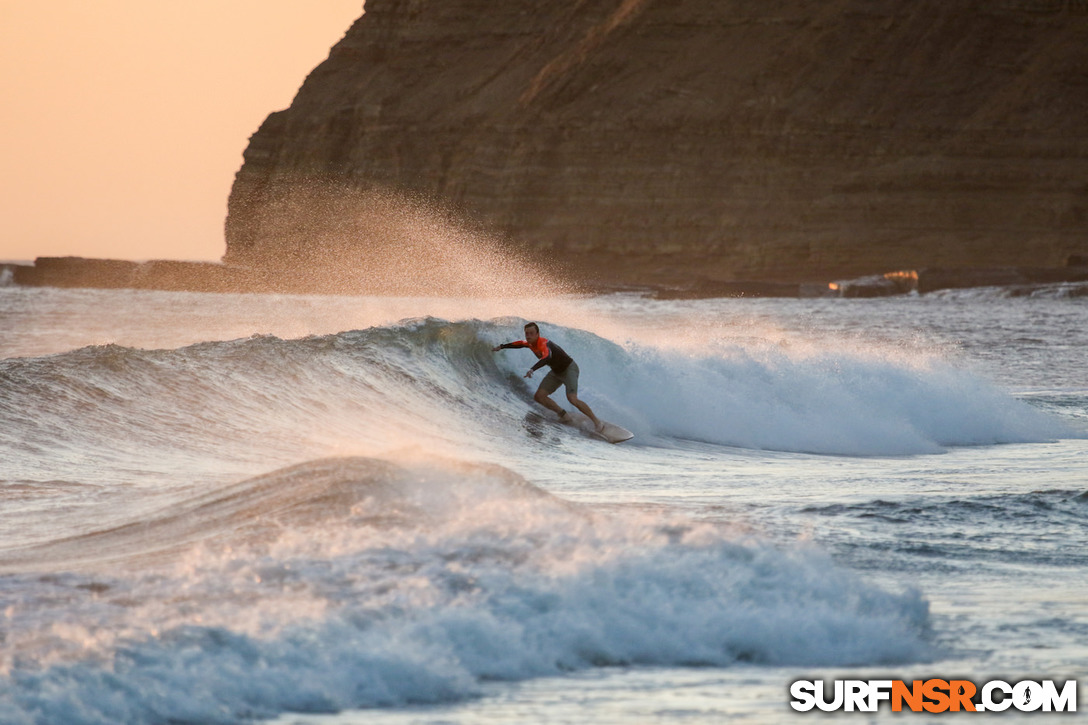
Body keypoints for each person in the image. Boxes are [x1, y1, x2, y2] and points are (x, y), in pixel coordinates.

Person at [493, 322, 603, 431]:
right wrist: (502, 346)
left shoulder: (543, 343)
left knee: (572, 399)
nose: (529, 336)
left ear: (537, 334)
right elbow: (519, 343)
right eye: (527, 333)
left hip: (569, 369)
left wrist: (532, 369)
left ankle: (597, 422)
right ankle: (564, 415)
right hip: (556, 372)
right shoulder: (529, 343)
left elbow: (547, 357)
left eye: (531, 333)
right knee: (539, 396)